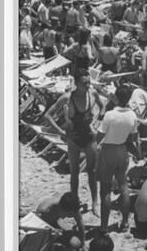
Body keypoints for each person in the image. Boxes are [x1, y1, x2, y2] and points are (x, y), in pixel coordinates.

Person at [44, 68, 104, 215]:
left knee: (92, 172)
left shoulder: (93, 94)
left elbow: (102, 107)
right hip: (74, 139)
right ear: (76, 83)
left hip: (90, 138)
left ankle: (95, 202)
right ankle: (75, 203)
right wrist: (60, 131)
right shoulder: (67, 98)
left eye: (89, 82)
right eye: (84, 83)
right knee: (74, 173)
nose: (88, 85)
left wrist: (98, 120)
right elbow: (47, 115)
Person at [96, 84, 140, 231]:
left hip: (109, 150)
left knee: (105, 190)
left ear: (116, 97)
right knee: (123, 186)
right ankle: (125, 221)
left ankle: (103, 226)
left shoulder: (110, 115)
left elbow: (100, 136)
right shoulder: (133, 115)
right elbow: (133, 137)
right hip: (122, 150)